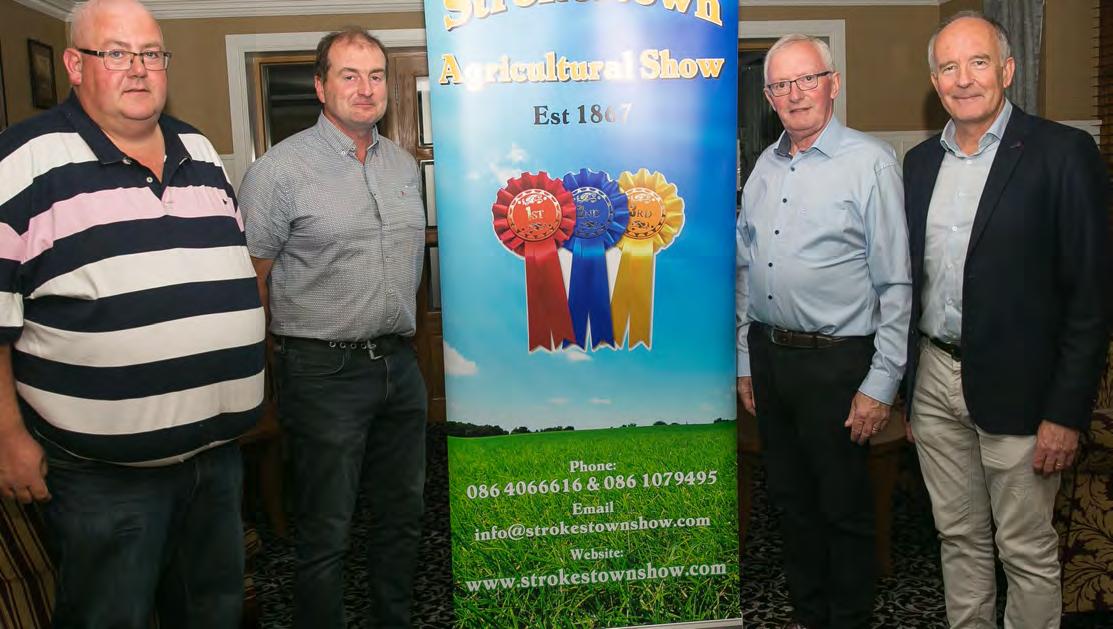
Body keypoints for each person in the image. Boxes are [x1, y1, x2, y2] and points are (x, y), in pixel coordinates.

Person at [0, 0, 265, 625]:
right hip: (105, 476)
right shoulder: (23, 160)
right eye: (116, 53)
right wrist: (7, 437)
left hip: (216, 458)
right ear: (75, 66)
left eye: (151, 53)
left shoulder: (199, 149)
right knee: (110, 615)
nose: (139, 68)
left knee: (213, 611)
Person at [903, 11, 1111, 628]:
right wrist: (910, 390)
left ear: (1008, 69)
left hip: (1024, 392)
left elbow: (1090, 296)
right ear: (934, 81)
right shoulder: (919, 162)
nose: (963, 79)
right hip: (935, 380)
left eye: (979, 62)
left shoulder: (1063, 153)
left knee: (1025, 550)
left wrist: (1065, 412)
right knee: (958, 538)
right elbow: (910, 282)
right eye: (948, 67)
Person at [238, 27, 428, 629]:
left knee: (403, 516)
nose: (365, 88)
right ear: (320, 86)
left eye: (375, 76)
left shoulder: (403, 166)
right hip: (322, 372)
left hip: (400, 365)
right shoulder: (279, 170)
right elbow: (251, 281)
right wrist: (260, 379)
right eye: (349, 75)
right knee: (327, 528)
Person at [736, 33, 911, 629]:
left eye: (807, 79)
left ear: (833, 83)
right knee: (792, 505)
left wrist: (880, 384)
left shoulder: (871, 163)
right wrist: (745, 361)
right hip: (770, 359)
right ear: (768, 97)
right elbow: (747, 270)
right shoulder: (764, 166)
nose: (795, 94)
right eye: (781, 85)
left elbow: (896, 283)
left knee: (843, 510)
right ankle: (810, 617)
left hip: (838, 365)